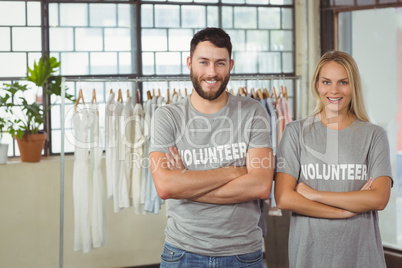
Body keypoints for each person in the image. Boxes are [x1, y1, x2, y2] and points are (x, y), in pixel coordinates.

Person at [148, 27, 274, 268]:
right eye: (203, 62)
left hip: (243, 254)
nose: (212, 72)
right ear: (189, 63)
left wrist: (186, 182)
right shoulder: (167, 116)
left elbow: (260, 185)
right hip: (182, 253)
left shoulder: (253, 111)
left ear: (230, 65)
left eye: (220, 63)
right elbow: (165, 187)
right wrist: (234, 172)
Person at [274, 50, 393, 268]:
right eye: (326, 82)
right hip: (309, 257)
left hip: (361, 257)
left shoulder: (374, 135)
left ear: (353, 86)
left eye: (343, 82)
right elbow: (284, 198)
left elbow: (379, 199)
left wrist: (314, 194)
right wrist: (344, 211)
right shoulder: (295, 132)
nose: (334, 90)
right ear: (317, 85)